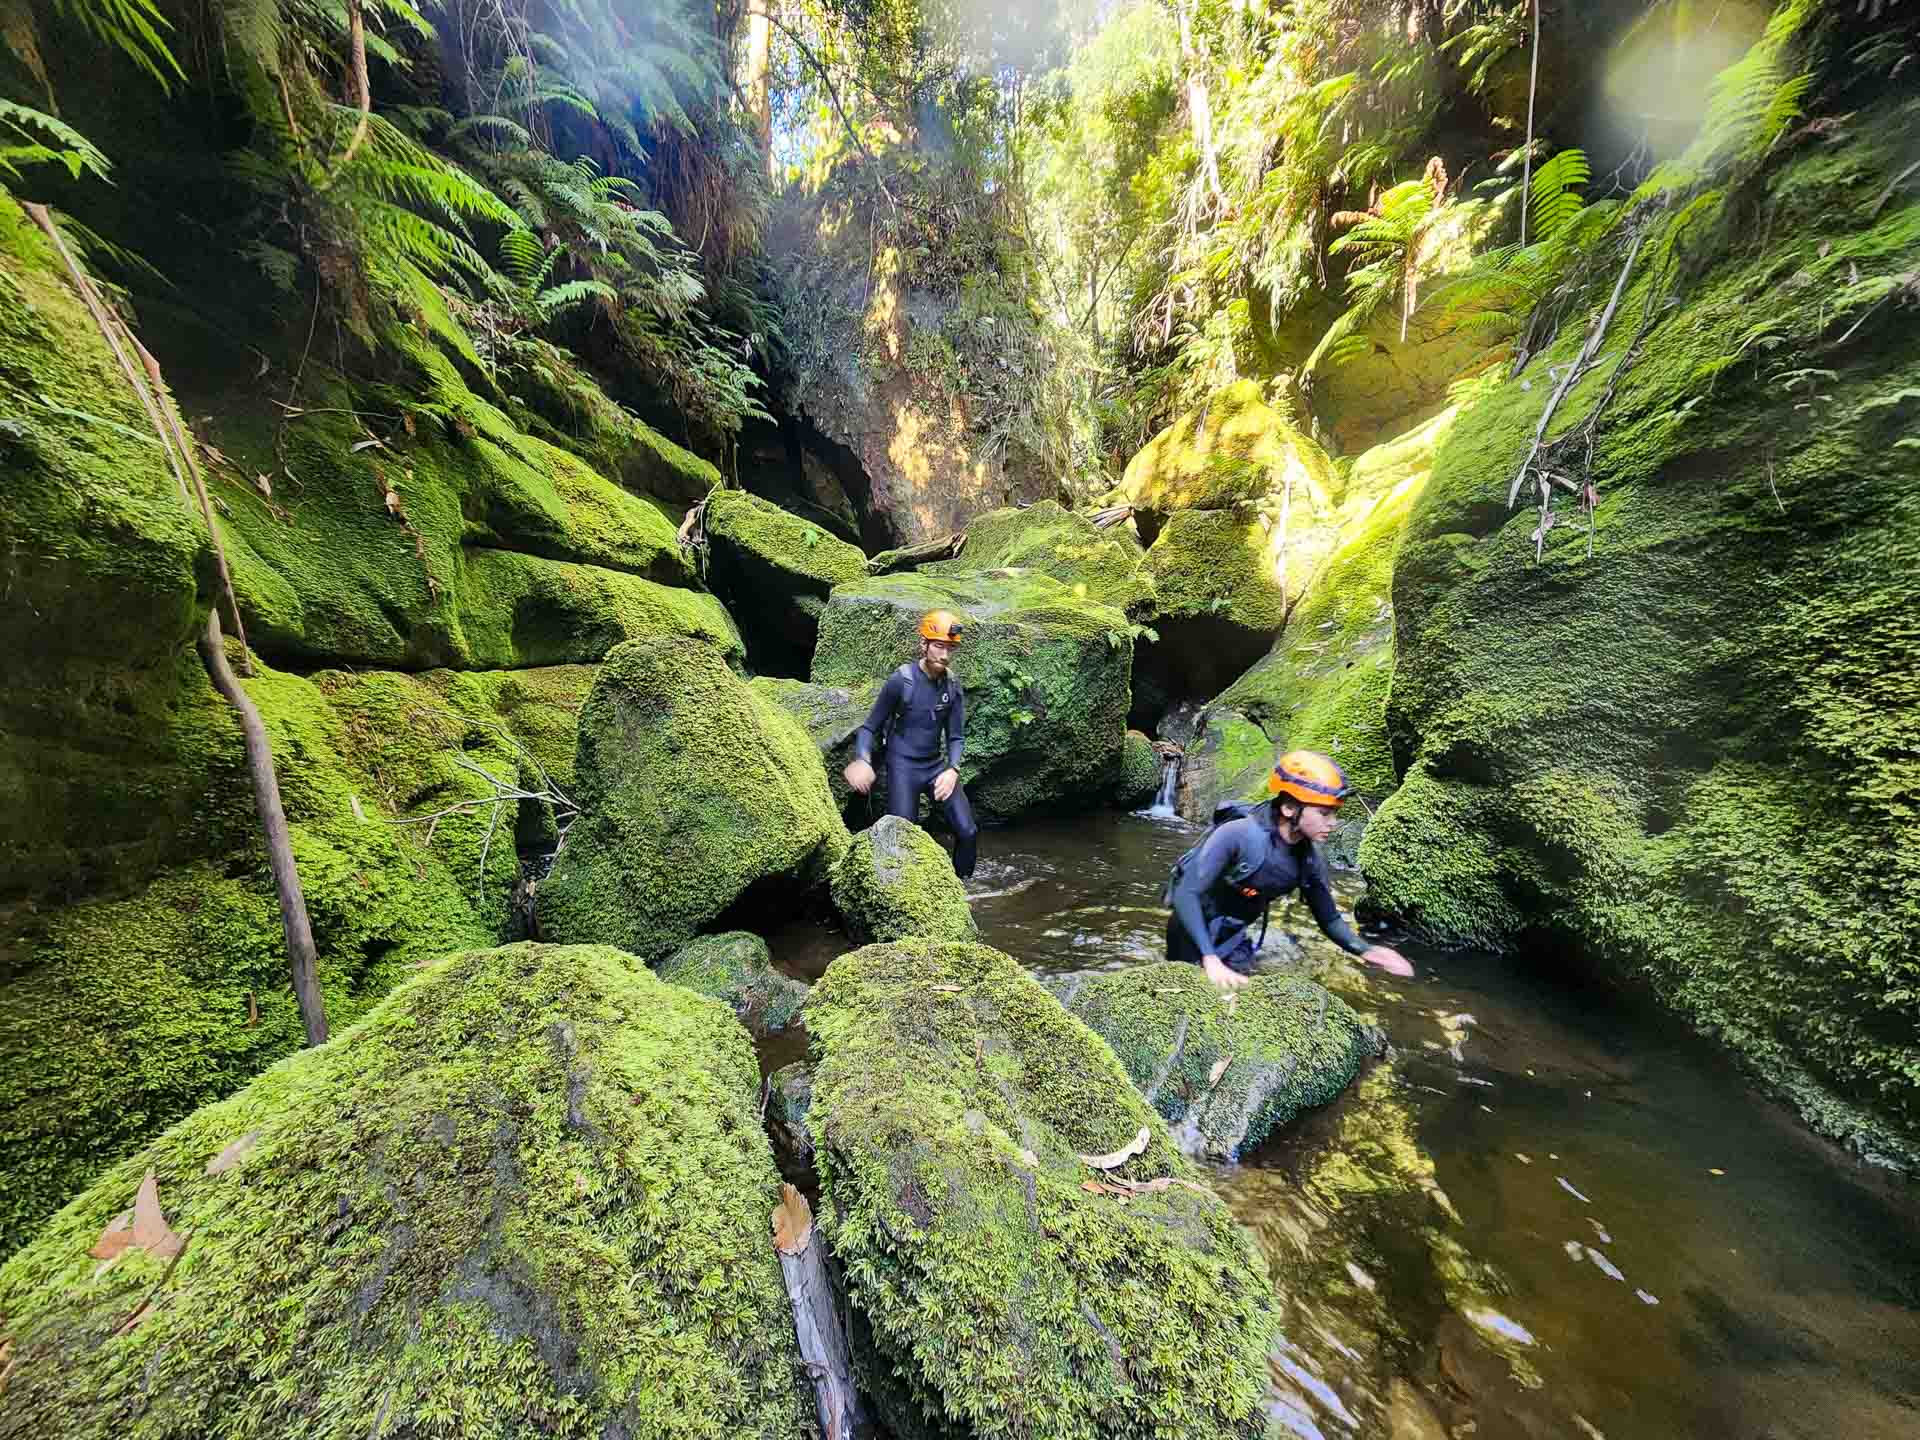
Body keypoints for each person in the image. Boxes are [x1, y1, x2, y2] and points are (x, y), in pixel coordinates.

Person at [1166, 749, 1414, 990]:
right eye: (1324, 813)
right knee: (1187, 991)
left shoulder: (1309, 859)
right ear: (1289, 809)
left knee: (1240, 997)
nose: (1333, 823)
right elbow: (1186, 893)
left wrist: (1368, 950)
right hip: (1190, 927)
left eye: (1335, 814)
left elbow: (1329, 919)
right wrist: (1209, 958)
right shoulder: (1238, 835)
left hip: (1233, 933)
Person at [843, 609, 980, 879]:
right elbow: (869, 727)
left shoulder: (952, 686)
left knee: (968, 831)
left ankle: (961, 890)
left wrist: (952, 770)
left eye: (950, 648)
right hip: (902, 767)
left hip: (935, 767)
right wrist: (862, 759)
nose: (944, 654)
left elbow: (956, 736)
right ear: (924, 644)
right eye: (939, 646)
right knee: (902, 837)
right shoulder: (901, 681)